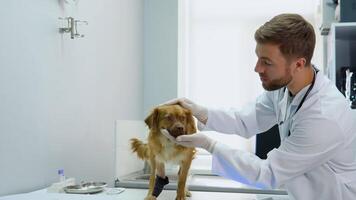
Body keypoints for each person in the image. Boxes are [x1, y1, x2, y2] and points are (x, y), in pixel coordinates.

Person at [161, 13, 356, 200]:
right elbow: (245, 120)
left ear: (298, 64)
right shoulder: (284, 88)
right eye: (258, 57)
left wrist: (208, 145)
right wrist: (200, 112)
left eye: (267, 62)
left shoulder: (324, 118)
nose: (257, 68)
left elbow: (267, 174)